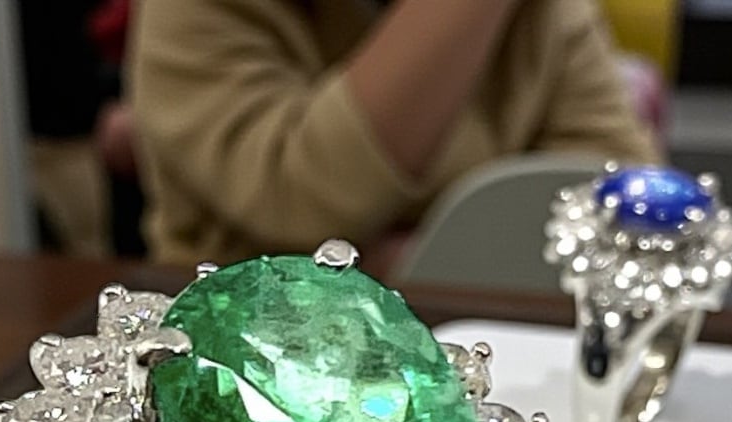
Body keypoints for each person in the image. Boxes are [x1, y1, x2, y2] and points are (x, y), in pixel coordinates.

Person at [129, 0, 658, 267]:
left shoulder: (542, 14)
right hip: (242, 369)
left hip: (489, 358)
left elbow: (629, 211)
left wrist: (420, 258)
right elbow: (295, 200)